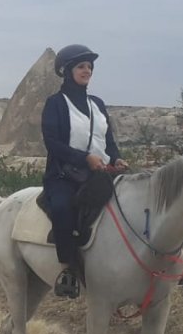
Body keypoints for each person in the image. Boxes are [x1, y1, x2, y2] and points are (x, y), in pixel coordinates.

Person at [42, 44, 128, 298]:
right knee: (61, 208)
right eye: (81, 66)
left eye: (89, 67)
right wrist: (84, 159)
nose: (87, 70)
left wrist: (117, 157)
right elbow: (53, 143)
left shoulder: (97, 104)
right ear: (67, 71)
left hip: (100, 173)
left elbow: (108, 140)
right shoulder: (55, 104)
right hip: (65, 175)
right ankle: (68, 269)